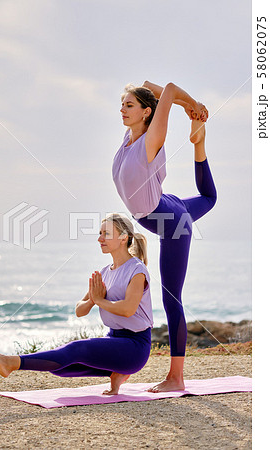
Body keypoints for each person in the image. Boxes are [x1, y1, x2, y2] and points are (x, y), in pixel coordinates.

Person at [112, 81, 217, 392]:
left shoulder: (150, 140)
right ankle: (199, 142)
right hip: (166, 205)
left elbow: (168, 90)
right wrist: (187, 111)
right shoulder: (129, 139)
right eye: (122, 104)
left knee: (172, 299)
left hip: (170, 222)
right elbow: (149, 87)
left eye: (129, 105)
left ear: (146, 113)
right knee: (209, 198)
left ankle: (176, 377)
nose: (122, 109)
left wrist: (191, 106)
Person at [0, 214, 153, 395]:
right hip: (114, 339)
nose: (99, 238)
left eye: (106, 234)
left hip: (134, 346)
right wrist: (93, 300)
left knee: (74, 350)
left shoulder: (137, 270)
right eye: (100, 233)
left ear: (124, 237)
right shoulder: (105, 273)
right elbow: (79, 310)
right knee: (61, 367)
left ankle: (12, 362)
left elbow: (128, 309)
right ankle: (116, 372)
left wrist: (100, 300)